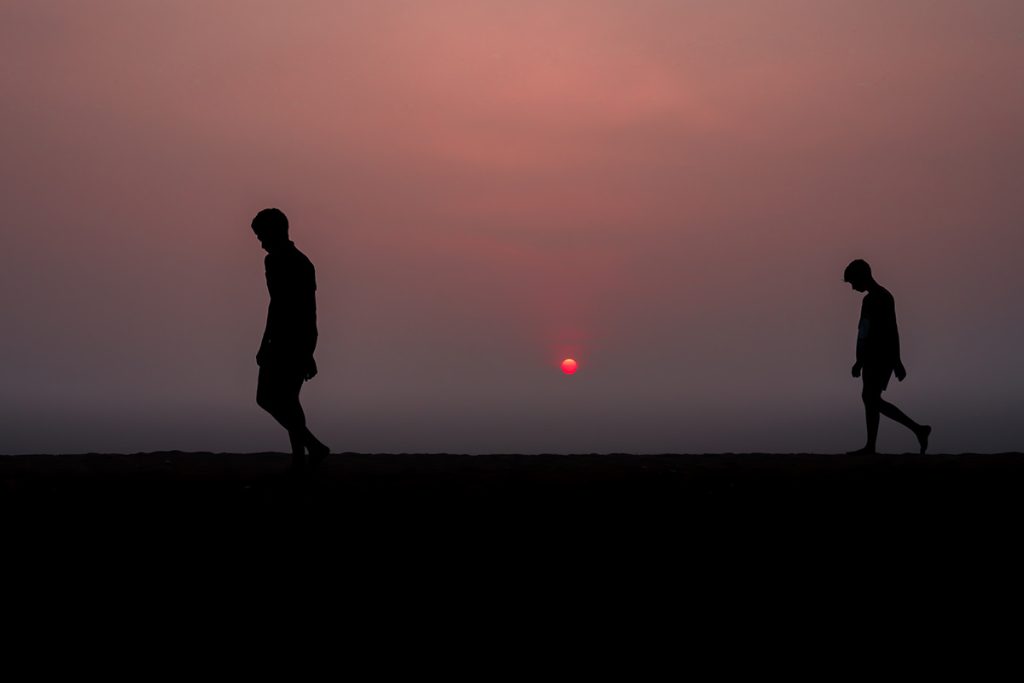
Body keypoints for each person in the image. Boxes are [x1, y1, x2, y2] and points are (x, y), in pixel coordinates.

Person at [251, 208, 329, 470]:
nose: (261, 243)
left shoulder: (294, 263)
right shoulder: (280, 261)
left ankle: (311, 449)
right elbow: (278, 305)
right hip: (292, 336)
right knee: (287, 399)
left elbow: (297, 307)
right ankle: (302, 456)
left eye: (262, 236)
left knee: (270, 397)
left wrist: (305, 350)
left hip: (292, 337)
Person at [844, 259, 931, 454]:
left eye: (852, 282)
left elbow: (892, 330)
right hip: (870, 357)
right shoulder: (869, 300)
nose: (852, 287)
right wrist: (859, 360)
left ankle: (915, 430)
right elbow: (863, 332)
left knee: (870, 398)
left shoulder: (882, 298)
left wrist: (897, 360)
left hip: (881, 356)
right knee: (870, 398)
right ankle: (875, 444)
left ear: (862, 277)